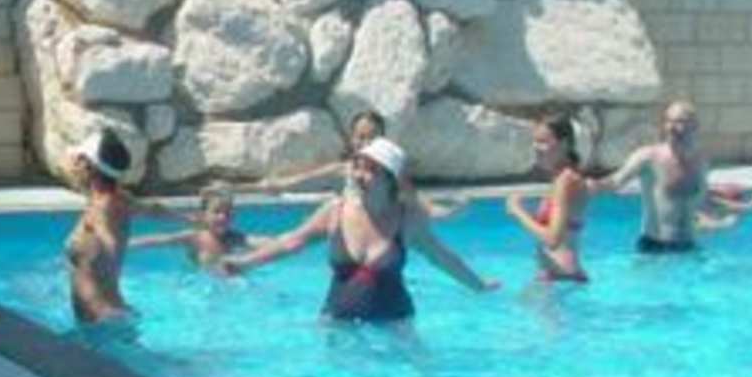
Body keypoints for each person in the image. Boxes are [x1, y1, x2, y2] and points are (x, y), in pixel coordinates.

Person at [225, 138, 497, 322]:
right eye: (357, 167)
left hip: (395, 325)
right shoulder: (336, 211)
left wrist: (478, 285)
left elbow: (441, 256)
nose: (358, 176)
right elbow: (291, 242)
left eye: (369, 171)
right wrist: (244, 263)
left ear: (390, 180)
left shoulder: (405, 219)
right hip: (337, 322)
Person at [240, 110, 465, 220]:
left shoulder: (391, 173)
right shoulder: (343, 172)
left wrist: (445, 212)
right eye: (360, 137)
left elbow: (415, 201)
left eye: (372, 138)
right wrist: (239, 188)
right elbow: (287, 184)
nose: (365, 143)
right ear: (351, 139)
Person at [65, 129, 186, 324]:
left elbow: (105, 232)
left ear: (90, 167)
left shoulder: (100, 207)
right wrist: (192, 219)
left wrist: (108, 242)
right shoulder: (121, 199)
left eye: (79, 159)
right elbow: (154, 210)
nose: (74, 164)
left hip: (101, 320)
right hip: (112, 313)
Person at [594, 100, 734, 253]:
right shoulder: (648, 157)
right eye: (668, 121)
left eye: (679, 121)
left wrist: (738, 210)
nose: (671, 127)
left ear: (694, 126)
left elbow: (700, 198)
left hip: (688, 247)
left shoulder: (701, 161)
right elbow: (615, 181)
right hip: (655, 249)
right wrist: (586, 185)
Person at [505, 115, 590, 283]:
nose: (535, 147)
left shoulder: (565, 181)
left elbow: (553, 240)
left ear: (564, 144)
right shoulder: (564, 179)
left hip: (560, 278)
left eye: (543, 142)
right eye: (534, 141)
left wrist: (517, 212)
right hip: (561, 277)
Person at [131, 183, 249, 273]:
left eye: (227, 213)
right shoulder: (195, 237)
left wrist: (244, 261)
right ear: (204, 215)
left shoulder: (236, 238)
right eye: (217, 212)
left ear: (233, 216)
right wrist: (129, 243)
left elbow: (260, 244)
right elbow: (161, 239)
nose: (222, 217)